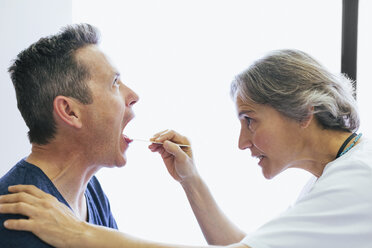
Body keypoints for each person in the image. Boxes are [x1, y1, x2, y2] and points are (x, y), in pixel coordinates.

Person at [1, 49, 371, 248]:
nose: (242, 142)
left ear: (304, 113)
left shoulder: (356, 182)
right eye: (115, 83)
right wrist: (190, 181)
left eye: (250, 119)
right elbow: (248, 246)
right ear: (68, 110)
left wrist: (80, 234)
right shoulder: (18, 210)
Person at [0, 23, 139, 247]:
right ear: (70, 111)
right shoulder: (17, 219)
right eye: (114, 83)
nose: (133, 95)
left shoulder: (91, 191)